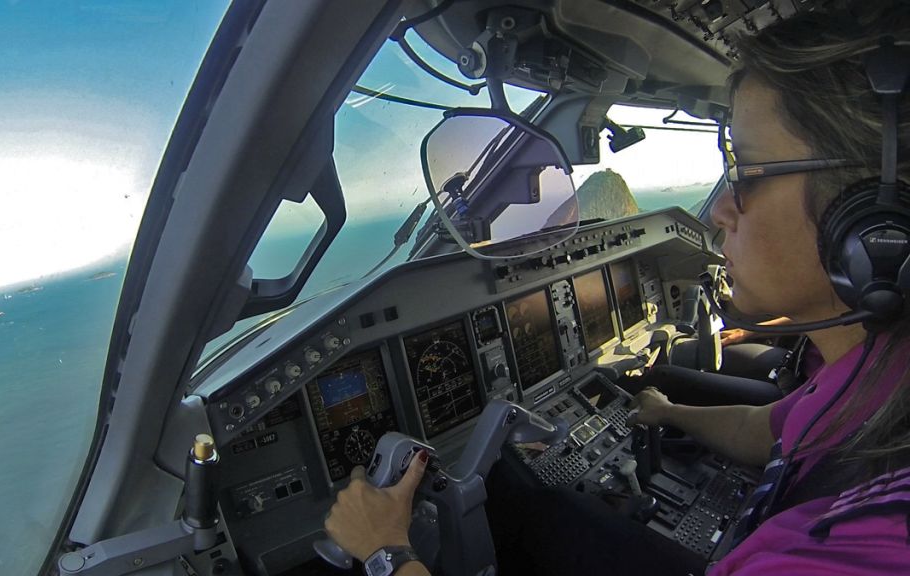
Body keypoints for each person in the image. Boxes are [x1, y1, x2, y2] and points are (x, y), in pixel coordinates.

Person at [325, 5, 910, 574]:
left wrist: (386, 551)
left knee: (517, 501)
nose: (723, 212)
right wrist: (669, 411)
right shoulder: (878, 371)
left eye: (748, 174)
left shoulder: (859, 552)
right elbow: (774, 430)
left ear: (874, 225)